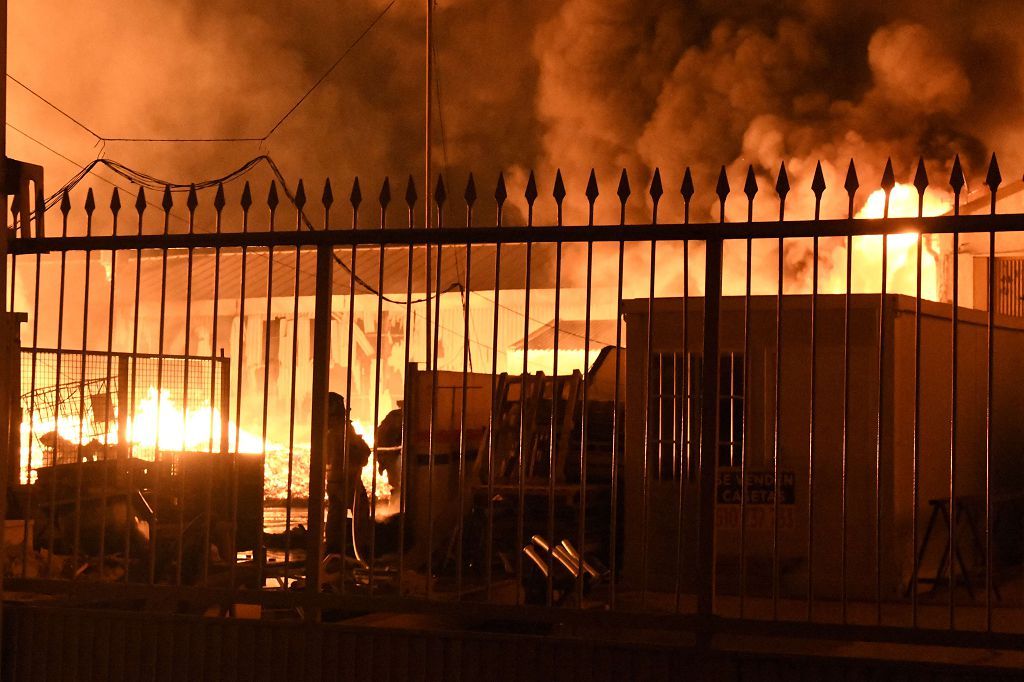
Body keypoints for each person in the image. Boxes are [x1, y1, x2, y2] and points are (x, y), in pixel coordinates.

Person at [324, 392, 371, 555]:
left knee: (335, 514)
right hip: (348, 479)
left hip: (333, 479)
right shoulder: (342, 429)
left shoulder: (326, 430)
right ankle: (361, 549)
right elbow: (362, 451)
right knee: (360, 512)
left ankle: (332, 549)